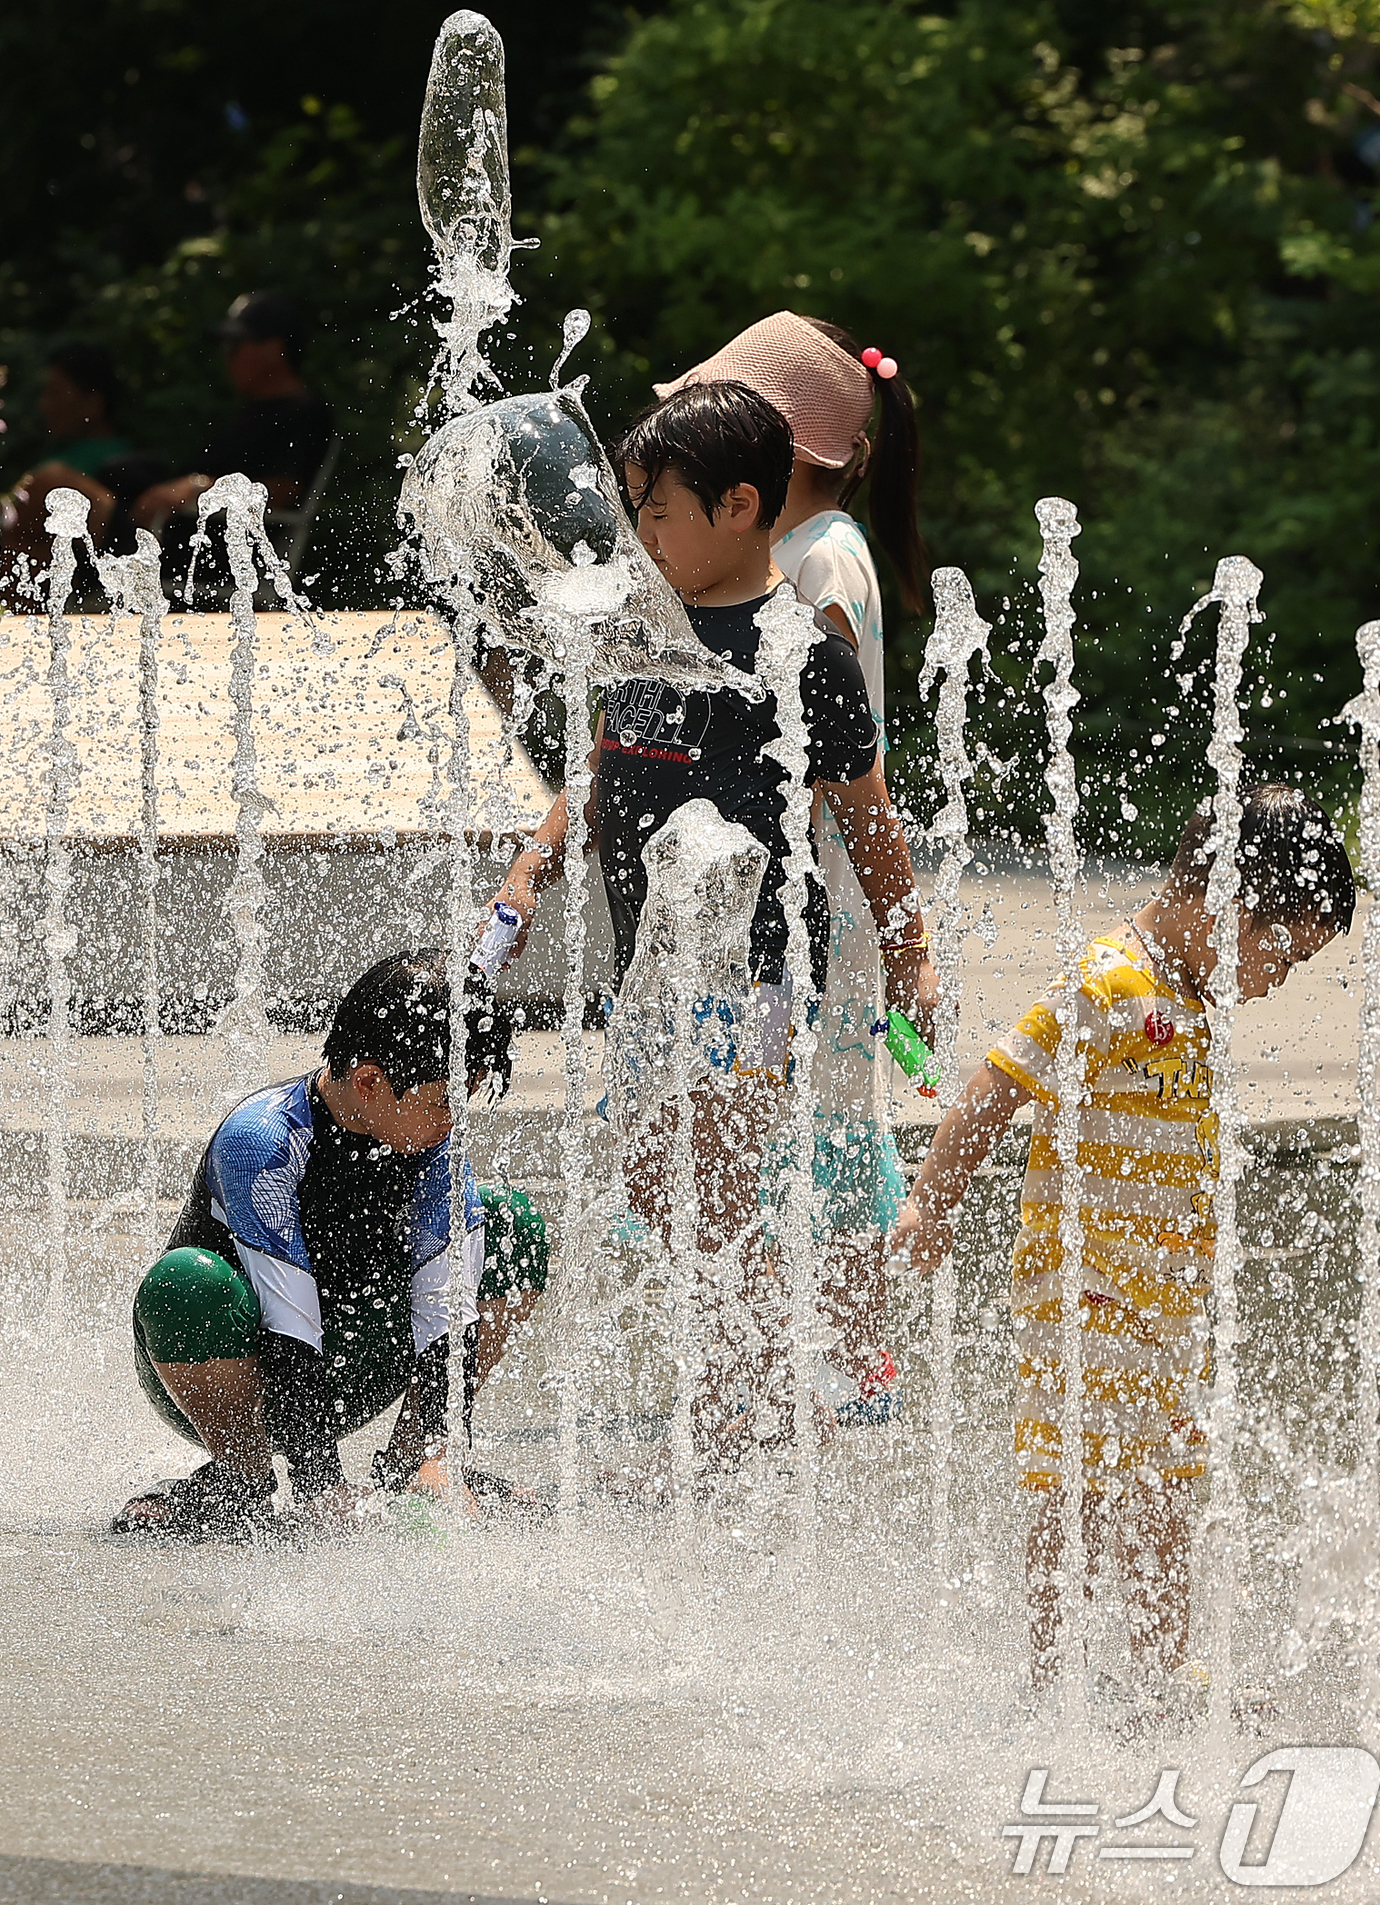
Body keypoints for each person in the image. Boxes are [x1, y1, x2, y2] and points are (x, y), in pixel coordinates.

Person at [490, 380, 938, 1468]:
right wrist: (528, 866)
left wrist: (912, 952)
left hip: (760, 966)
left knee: (717, 1173)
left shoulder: (799, 653)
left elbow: (868, 821)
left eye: (657, 511)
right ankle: (764, 1382)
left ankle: (756, 1402)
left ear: (737, 507)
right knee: (665, 1180)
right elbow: (598, 768)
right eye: (634, 508)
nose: (638, 533)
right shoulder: (649, 625)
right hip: (652, 964)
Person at [892, 785, 1355, 1700]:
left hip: (1168, 1302)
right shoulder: (1106, 979)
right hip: (1086, 1293)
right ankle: (1053, 1673)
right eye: (1283, 953)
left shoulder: (1189, 989)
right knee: (1079, 1487)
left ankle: (1158, 1668)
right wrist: (930, 1204)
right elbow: (993, 1089)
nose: (1277, 979)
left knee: (1170, 1487)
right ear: (1226, 905)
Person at [655, 311, 928, 1423]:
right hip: (796, 905)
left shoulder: (817, 559)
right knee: (789, 1120)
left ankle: (846, 1357)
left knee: (813, 1122)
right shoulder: (823, 547)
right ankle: (811, 1353)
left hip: (805, 912)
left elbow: (812, 742)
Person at [111, 950, 548, 1544]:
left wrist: (438, 1450)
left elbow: (445, 1315)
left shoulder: (434, 1149)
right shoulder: (263, 1141)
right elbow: (288, 1328)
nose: (456, 1124)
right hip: (233, 1365)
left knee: (511, 1224)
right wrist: (324, 1491)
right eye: (446, 1103)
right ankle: (241, 1477)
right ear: (370, 1083)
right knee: (185, 1281)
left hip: (353, 1361)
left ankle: (415, 1463)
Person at [130, 290, 334, 533]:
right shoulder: (255, 411)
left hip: (212, 542)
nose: (226, 356)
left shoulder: (301, 413)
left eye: (235, 344)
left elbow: (282, 490)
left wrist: (197, 488)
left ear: (273, 349)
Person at [0, 344, 134, 601]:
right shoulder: (60, 454)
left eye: (56, 393)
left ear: (93, 403)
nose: (44, 404)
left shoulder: (115, 461)